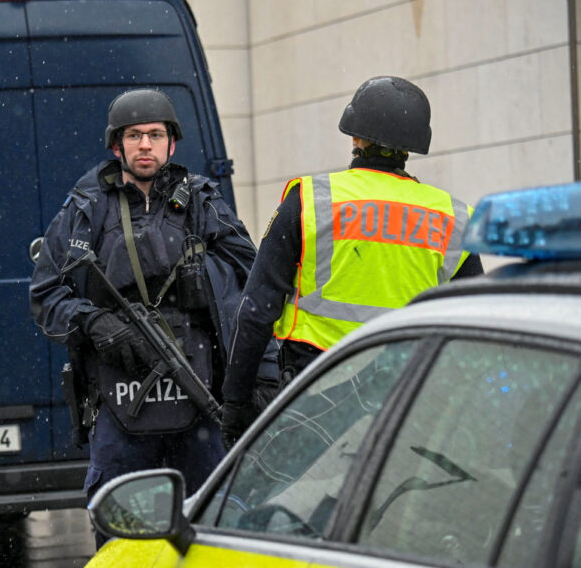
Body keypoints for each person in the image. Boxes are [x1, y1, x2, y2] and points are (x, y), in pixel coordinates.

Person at [29, 89, 276, 546]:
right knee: (122, 531)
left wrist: (259, 376)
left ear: (172, 144)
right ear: (116, 145)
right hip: (120, 399)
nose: (146, 145)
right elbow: (46, 295)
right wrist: (94, 323)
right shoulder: (87, 206)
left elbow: (251, 286)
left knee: (209, 531)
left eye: (156, 135)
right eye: (135, 135)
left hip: (200, 392)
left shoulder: (201, 201)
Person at [220, 75, 485, 448]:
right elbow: (473, 328)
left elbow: (255, 310)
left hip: (316, 396)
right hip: (406, 400)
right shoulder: (454, 217)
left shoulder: (312, 202)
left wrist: (235, 401)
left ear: (356, 138)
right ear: (412, 145)